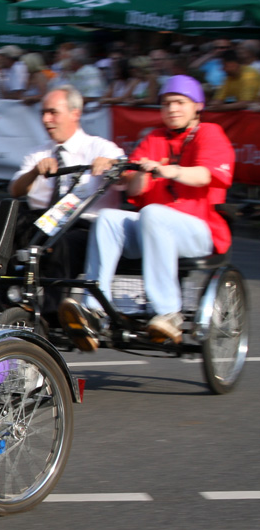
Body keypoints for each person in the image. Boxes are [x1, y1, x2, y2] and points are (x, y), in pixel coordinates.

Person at [59, 76, 235, 350]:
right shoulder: (154, 137)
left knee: (153, 212)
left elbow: (204, 175)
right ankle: (95, 309)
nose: (172, 109)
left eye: (180, 102)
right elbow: (133, 184)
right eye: (166, 103)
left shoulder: (209, 133)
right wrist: (133, 174)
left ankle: (169, 312)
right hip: (153, 227)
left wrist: (168, 170)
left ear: (197, 106)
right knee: (108, 219)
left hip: (199, 230)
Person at [8, 86, 124, 325]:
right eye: (43, 113)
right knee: (4, 221)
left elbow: (128, 175)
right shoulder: (39, 152)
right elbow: (15, 190)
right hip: (44, 220)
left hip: (83, 225)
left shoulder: (100, 147)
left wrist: (112, 164)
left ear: (75, 113)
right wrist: (34, 172)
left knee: (61, 243)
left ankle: (51, 313)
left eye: (53, 113)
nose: (46, 120)